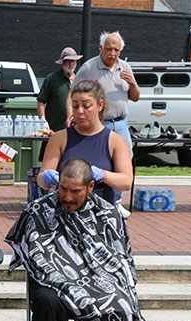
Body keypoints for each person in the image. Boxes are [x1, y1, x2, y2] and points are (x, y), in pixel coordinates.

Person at [5, 158, 157, 321]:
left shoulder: (107, 214)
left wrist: (93, 287)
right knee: (46, 302)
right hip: (52, 282)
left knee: (121, 304)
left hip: (96, 282)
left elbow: (119, 260)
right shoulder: (38, 211)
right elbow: (36, 256)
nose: (67, 196)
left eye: (75, 191)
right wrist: (68, 285)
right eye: (62, 188)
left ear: (90, 187)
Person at [72, 31, 139, 217]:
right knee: (102, 162)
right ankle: (94, 200)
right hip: (101, 124)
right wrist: (71, 115)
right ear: (101, 48)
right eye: (109, 49)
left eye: (116, 50)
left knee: (125, 161)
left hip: (122, 123)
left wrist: (132, 83)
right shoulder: (89, 67)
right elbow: (74, 92)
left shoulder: (125, 67)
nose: (113, 53)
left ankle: (116, 202)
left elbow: (135, 97)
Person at [37, 79, 132, 206]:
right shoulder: (60, 138)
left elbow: (126, 182)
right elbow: (41, 179)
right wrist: (46, 177)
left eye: (86, 106)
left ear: (100, 105)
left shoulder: (115, 141)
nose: (80, 111)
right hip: (65, 211)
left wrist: (104, 175)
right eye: (75, 106)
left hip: (100, 214)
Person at [37, 46, 82, 133]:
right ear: (62, 63)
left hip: (76, 130)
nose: (71, 64)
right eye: (68, 61)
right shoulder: (51, 78)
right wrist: (43, 121)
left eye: (73, 61)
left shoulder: (80, 80)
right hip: (53, 130)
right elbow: (41, 101)